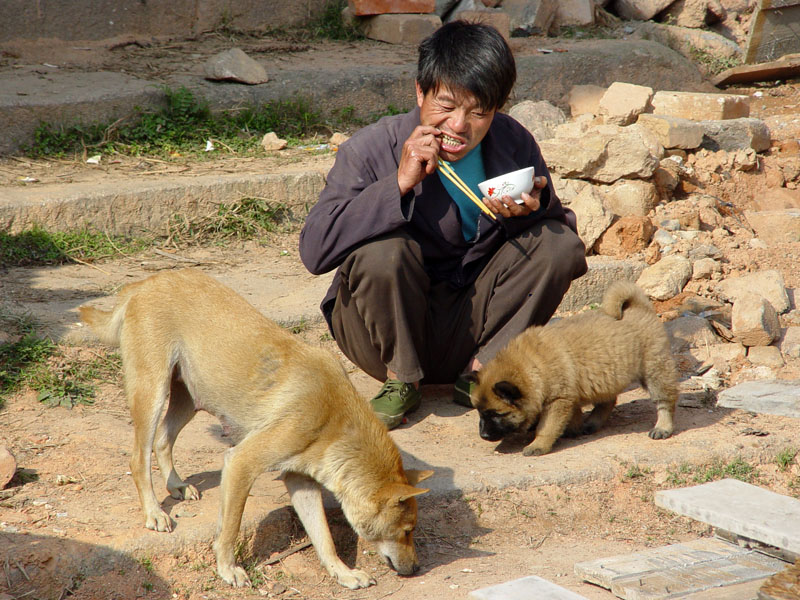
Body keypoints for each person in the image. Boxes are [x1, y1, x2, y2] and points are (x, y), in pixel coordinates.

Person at [299, 20, 587, 429]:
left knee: (559, 244)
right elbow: (314, 250)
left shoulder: (512, 143)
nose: (458, 126)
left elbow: (557, 236)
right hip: (380, 335)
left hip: (469, 331)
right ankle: (402, 382)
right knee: (384, 251)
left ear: (497, 109)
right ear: (421, 91)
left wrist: (530, 212)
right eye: (447, 106)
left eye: (479, 112)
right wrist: (398, 184)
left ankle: (483, 371)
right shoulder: (371, 148)